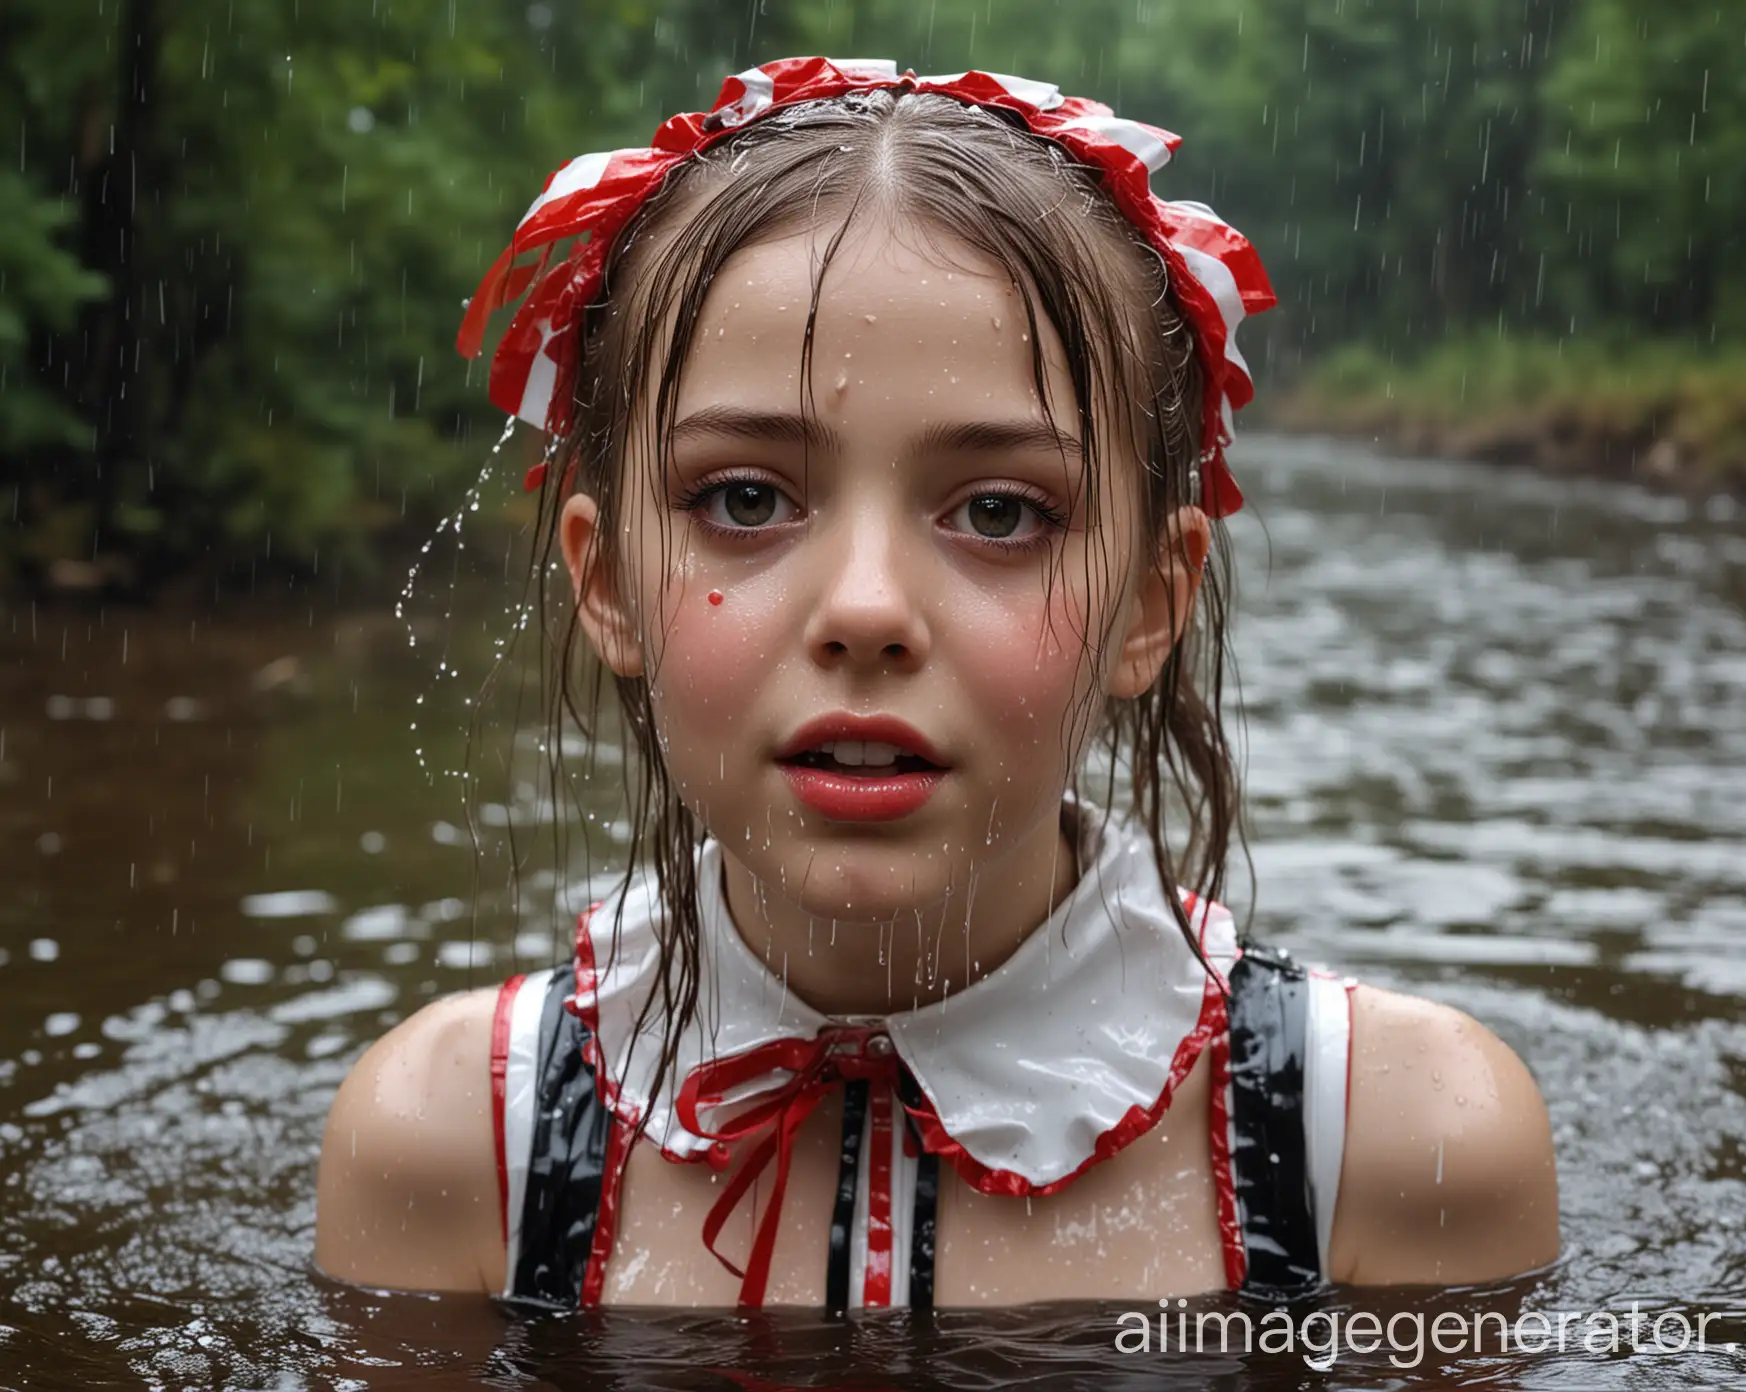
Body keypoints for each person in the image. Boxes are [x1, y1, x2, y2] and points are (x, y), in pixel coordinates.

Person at [314, 57, 1557, 1311]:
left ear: (1149, 606)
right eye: (745, 498)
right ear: (607, 583)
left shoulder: (1393, 1148)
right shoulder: (458, 1151)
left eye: (1001, 512)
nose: (866, 610)